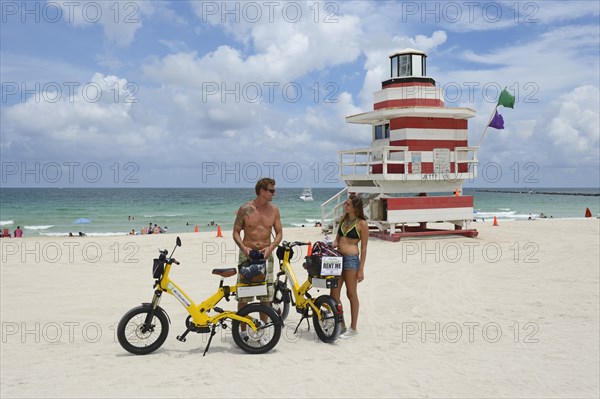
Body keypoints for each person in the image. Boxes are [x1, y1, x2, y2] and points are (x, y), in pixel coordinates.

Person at [233, 178, 283, 338]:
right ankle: (242, 332)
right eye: (271, 190)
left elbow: (279, 233)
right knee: (244, 295)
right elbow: (235, 232)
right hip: (247, 255)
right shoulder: (246, 209)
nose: (274, 194)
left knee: (265, 295)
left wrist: (271, 248)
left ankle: (262, 330)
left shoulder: (274, 210)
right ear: (262, 191)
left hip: (266, 256)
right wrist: (244, 248)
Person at [330, 194, 368, 339]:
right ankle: (341, 325)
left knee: (351, 293)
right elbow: (337, 239)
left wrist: (361, 269)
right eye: (345, 204)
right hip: (337, 259)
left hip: (351, 260)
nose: (345, 206)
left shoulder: (362, 224)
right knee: (334, 294)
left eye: (347, 204)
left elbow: (364, 248)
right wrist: (332, 243)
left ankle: (353, 328)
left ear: (355, 208)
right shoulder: (343, 220)